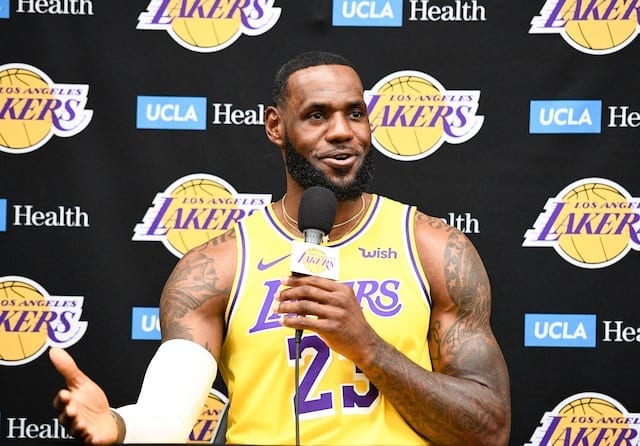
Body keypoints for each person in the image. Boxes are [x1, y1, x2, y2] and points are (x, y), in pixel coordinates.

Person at [50, 51, 511, 445]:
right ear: (276, 125)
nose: (342, 131)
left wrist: (368, 347)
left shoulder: (432, 247)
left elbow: (489, 429)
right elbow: (167, 417)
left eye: (355, 113)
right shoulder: (220, 265)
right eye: (317, 115)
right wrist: (118, 424)